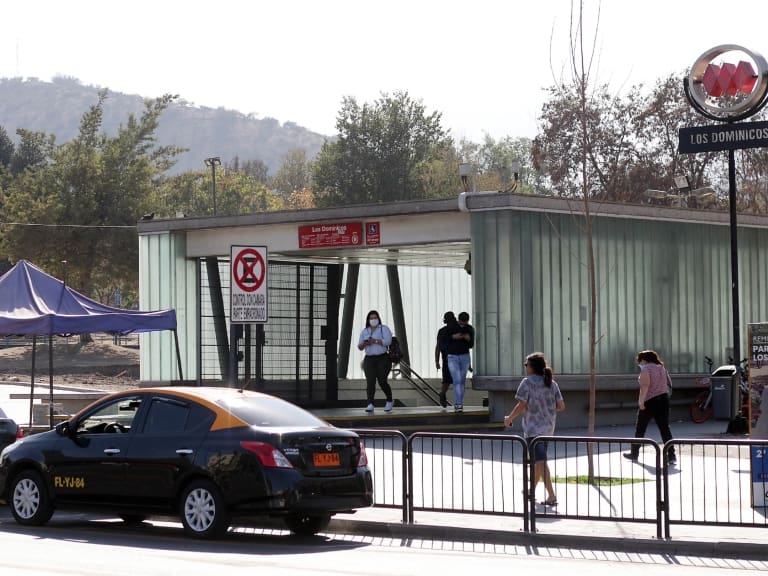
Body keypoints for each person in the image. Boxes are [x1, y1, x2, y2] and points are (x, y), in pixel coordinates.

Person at [504, 352, 565, 507]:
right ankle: (531, 491)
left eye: (526, 365)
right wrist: (546, 410)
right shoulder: (552, 383)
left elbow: (521, 405)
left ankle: (551, 495)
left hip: (533, 430)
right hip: (549, 428)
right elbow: (561, 406)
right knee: (539, 461)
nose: (525, 367)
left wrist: (509, 418)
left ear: (532, 367)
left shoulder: (527, 383)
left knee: (541, 462)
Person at [623, 349, 676, 464]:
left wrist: (641, 402)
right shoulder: (662, 368)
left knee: (640, 428)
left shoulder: (646, 369)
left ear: (644, 360)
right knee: (665, 428)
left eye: (640, 361)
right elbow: (669, 383)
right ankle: (672, 456)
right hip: (664, 400)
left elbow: (645, 387)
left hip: (650, 401)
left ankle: (634, 453)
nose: (639, 364)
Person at [357, 309, 394, 413]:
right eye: (371, 318)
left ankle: (389, 400)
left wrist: (375, 341)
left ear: (378, 319)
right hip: (369, 359)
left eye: (375, 318)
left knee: (382, 380)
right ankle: (370, 404)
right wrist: (365, 343)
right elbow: (359, 346)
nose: (373, 320)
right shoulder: (365, 331)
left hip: (382, 358)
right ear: (368, 320)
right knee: (370, 381)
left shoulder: (384, 329)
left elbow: (388, 341)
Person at [446, 311, 474, 412]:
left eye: (464, 323)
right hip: (453, 356)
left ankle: (459, 403)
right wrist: (453, 337)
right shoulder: (452, 327)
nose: (462, 325)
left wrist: (468, 339)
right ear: (458, 320)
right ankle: (458, 404)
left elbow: (471, 345)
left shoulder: (469, 329)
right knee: (457, 380)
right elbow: (444, 339)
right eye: (461, 323)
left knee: (461, 381)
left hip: (464, 356)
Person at [435, 311, 455, 408]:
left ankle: (443, 393)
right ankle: (458, 401)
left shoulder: (441, 331)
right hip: (456, 358)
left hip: (446, 359)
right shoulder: (456, 330)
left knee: (446, 380)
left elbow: (438, 347)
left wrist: (437, 361)